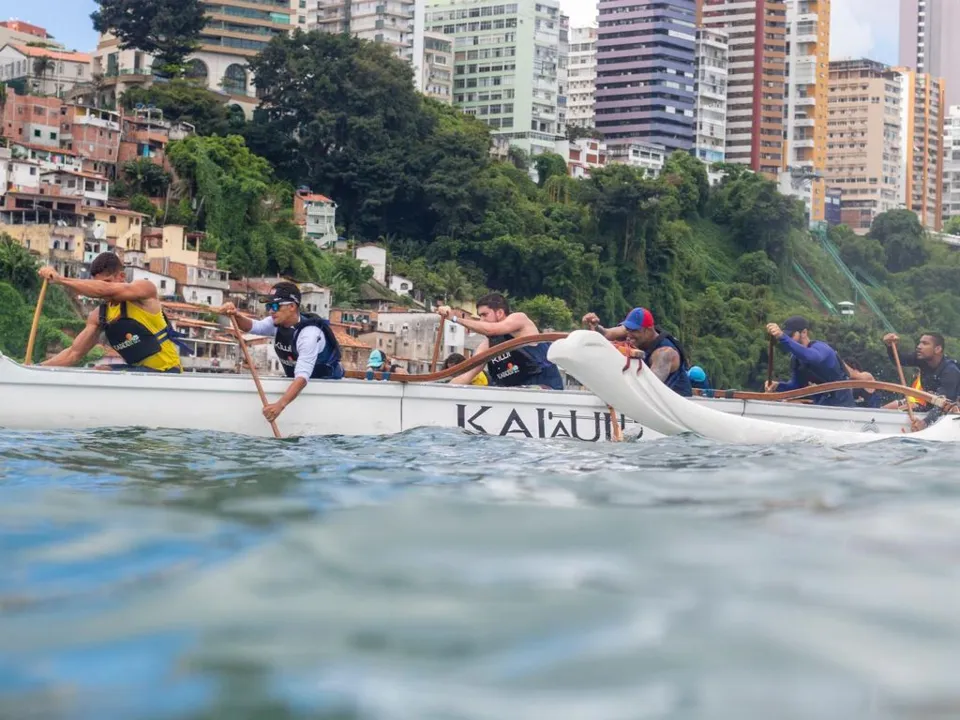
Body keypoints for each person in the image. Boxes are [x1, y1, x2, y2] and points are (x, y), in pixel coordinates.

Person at [38, 252, 186, 373]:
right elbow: (74, 353)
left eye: (107, 281)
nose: (102, 289)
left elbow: (104, 290)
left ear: (121, 277)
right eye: (97, 283)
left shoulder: (145, 291)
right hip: (139, 372)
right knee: (100, 370)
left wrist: (60, 280)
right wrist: (36, 368)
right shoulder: (98, 316)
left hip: (167, 372)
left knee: (106, 373)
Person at [217, 281, 343, 422]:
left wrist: (279, 406)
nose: (271, 311)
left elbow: (302, 378)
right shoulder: (275, 322)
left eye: (276, 306)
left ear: (291, 306)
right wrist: (235, 315)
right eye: (269, 306)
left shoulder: (309, 335)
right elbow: (253, 327)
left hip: (327, 385)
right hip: (299, 382)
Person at [437, 293, 563, 390]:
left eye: (485, 315)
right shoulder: (486, 346)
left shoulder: (519, 319)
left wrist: (454, 318)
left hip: (546, 389)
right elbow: (469, 374)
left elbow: (492, 330)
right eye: (479, 316)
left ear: (500, 312)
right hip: (514, 395)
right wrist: (442, 390)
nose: (481, 320)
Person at [582, 307, 692, 396]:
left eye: (634, 331)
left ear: (648, 330)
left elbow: (648, 387)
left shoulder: (664, 353)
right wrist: (595, 326)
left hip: (679, 401)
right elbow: (606, 334)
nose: (629, 336)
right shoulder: (634, 333)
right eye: (628, 330)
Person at [765, 316, 854, 407]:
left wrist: (782, 337)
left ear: (804, 332)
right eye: (786, 335)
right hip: (822, 405)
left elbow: (812, 357)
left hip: (843, 405)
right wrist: (778, 386)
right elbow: (796, 386)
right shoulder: (796, 359)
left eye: (790, 335)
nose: (788, 338)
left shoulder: (822, 348)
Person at [883, 332, 960, 430]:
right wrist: (890, 346)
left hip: (952, 410)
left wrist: (925, 422)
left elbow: (943, 404)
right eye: (919, 343)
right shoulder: (921, 359)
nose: (919, 346)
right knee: (894, 409)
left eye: (925, 343)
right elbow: (898, 360)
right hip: (933, 408)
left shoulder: (951, 371)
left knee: (952, 408)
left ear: (938, 349)